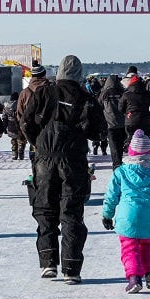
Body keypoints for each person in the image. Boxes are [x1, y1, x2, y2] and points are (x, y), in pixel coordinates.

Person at [21, 55, 106, 285]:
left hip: (45, 159)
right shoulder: (85, 98)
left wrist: (38, 143)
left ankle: (48, 262)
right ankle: (71, 268)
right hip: (73, 160)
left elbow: (26, 122)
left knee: (45, 210)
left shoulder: (43, 93)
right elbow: (99, 131)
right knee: (71, 213)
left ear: (58, 73)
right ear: (78, 74)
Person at [101, 129, 150, 294]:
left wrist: (107, 215)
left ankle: (134, 278)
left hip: (127, 219)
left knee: (129, 248)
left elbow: (111, 196)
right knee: (148, 246)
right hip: (148, 219)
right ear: (149, 153)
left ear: (130, 152)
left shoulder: (121, 172)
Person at [17, 60, 50, 161]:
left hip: (32, 129)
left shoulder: (25, 92)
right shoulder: (52, 90)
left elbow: (19, 113)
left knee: (35, 156)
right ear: (44, 75)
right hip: (49, 129)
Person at [119, 74, 150, 146]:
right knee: (145, 140)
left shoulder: (126, 94)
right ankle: (144, 154)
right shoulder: (148, 94)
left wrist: (127, 114)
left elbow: (120, 108)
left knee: (131, 141)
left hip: (131, 120)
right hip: (144, 119)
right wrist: (149, 116)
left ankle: (132, 154)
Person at [99, 74, 126, 170]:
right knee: (120, 144)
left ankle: (116, 163)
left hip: (109, 123)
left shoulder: (104, 93)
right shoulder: (122, 92)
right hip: (122, 123)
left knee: (113, 145)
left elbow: (99, 106)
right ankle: (119, 161)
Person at [2, 92, 26, 160]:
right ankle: (21, 151)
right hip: (20, 125)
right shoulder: (21, 104)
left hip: (11, 126)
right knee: (21, 139)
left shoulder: (6, 107)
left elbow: (4, 118)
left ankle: (14, 153)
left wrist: (4, 127)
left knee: (13, 140)